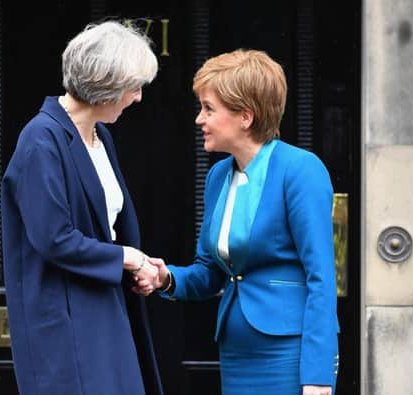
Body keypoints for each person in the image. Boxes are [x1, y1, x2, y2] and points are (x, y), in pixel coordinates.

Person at [142, 49, 339, 395]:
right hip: (235, 350)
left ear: (245, 116)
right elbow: (210, 271)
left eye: (208, 108)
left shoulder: (300, 171)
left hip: (288, 354)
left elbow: (321, 278)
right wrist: (166, 278)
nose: (199, 119)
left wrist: (319, 375)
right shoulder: (219, 175)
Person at [1, 21, 164, 395]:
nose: (138, 97)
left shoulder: (98, 136)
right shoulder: (40, 141)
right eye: (134, 86)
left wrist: (134, 264)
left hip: (104, 309)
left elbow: (106, 225)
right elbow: (54, 239)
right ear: (107, 85)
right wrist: (128, 257)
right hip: (64, 322)